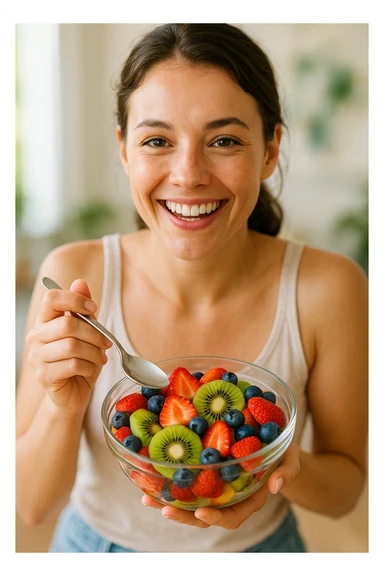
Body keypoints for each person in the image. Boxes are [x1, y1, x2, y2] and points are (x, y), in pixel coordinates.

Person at [16, 23, 368, 553]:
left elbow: (345, 493)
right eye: (157, 140)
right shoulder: (75, 276)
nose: (188, 174)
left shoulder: (329, 288)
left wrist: (278, 463)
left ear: (270, 149)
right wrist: (63, 406)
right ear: (124, 149)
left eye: (224, 140)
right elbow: (29, 504)